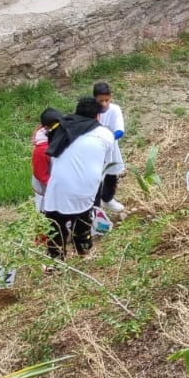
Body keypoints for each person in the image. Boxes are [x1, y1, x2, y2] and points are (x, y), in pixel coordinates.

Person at [40, 97, 120, 262]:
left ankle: (55, 261)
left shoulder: (62, 127)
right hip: (87, 188)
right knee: (83, 217)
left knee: (55, 223)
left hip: (59, 187)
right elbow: (106, 162)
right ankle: (83, 252)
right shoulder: (106, 134)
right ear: (98, 116)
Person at [92, 82, 128, 214]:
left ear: (110, 97)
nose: (104, 104)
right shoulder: (91, 111)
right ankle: (95, 209)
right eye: (100, 101)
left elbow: (120, 131)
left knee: (112, 175)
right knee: (96, 179)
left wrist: (107, 138)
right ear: (94, 99)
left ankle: (107, 199)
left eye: (107, 100)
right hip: (94, 152)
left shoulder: (114, 110)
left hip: (110, 148)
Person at [31, 108, 64, 212]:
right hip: (45, 189)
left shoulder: (57, 136)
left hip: (57, 182)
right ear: (47, 129)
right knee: (46, 213)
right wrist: (57, 186)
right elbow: (40, 175)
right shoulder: (41, 151)